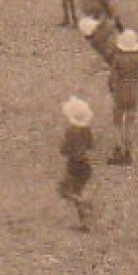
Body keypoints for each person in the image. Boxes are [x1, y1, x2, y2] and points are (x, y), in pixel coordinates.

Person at [107, 29, 138, 164]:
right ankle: (128, 151)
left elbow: (113, 78)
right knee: (129, 122)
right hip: (134, 91)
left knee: (117, 121)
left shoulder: (118, 59)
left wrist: (112, 87)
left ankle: (118, 148)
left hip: (120, 91)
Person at [58, 96, 96, 232]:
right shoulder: (87, 131)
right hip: (86, 166)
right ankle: (84, 223)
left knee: (64, 191)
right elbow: (92, 146)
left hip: (73, 165)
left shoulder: (70, 132)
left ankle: (82, 203)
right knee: (78, 190)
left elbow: (63, 150)